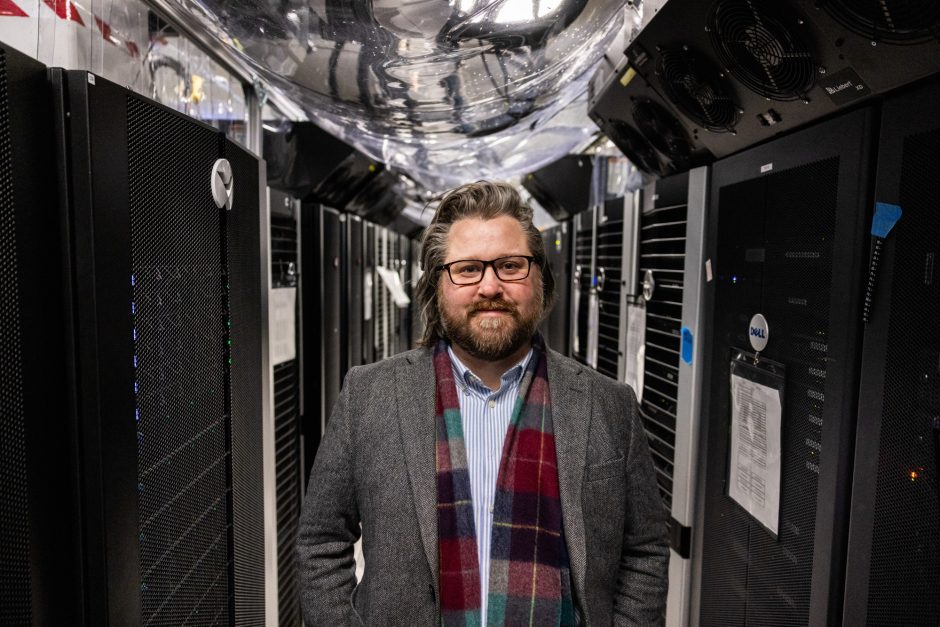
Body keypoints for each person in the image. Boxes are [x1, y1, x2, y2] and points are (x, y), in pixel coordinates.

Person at [297, 181, 669, 625]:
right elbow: (321, 542)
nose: (490, 286)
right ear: (438, 286)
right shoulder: (369, 395)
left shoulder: (609, 405)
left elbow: (645, 549)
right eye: (468, 269)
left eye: (511, 265)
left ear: (540, 279)